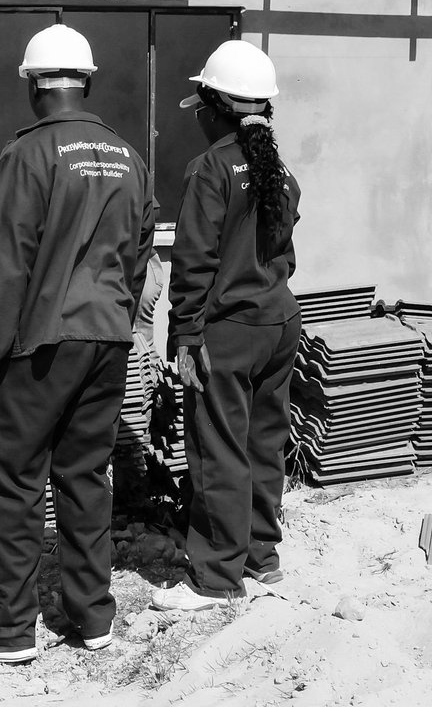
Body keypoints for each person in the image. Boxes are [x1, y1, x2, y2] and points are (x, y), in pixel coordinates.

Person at [0, 24, 154, 663]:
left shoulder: (30, 154)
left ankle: (11, 631)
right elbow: (140, 256)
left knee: (14, 479)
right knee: (86, 475)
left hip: (43, 343)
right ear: (86, 81)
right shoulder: (128, 157)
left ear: (35, 86)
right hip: (107, 340)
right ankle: (93, 618)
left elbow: (5, 262)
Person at [151, 39, 300, 613]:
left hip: (227, 332)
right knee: (265, 440)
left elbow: (194, 259)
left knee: (217, 449)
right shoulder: (279, 170)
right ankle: (262, 557)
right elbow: (284, 250)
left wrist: (186, 333)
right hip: (279, 322)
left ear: (216, 108)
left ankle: (216, 576)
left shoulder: (211, 167)